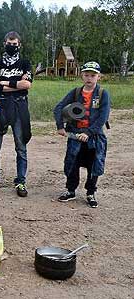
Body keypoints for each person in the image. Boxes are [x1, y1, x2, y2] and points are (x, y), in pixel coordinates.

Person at [53, 61, 110, 208]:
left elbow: (102, 117)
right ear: (82, 76)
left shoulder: (103, 94)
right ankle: (70, 191)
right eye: (86, 75)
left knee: (94, 166)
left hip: (94, 137)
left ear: (99, 77)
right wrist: (60, 126)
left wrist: (89, 132)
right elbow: (58, 107)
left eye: (93, 75)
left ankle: (91, 193)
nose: (89, 78)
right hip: (75, 136)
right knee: (72, 164)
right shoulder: (76, 92)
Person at [0, 31, 33, 197]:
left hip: (20, 106)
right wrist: (17, 84)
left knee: (21, 147)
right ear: (4, 43)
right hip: (0, 106)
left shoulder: (25, 63)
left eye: (15, 44)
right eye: (9, 43)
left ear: (19, 45)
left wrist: (5, 82)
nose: (12, 46)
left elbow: (27, 85)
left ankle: (21, 181)